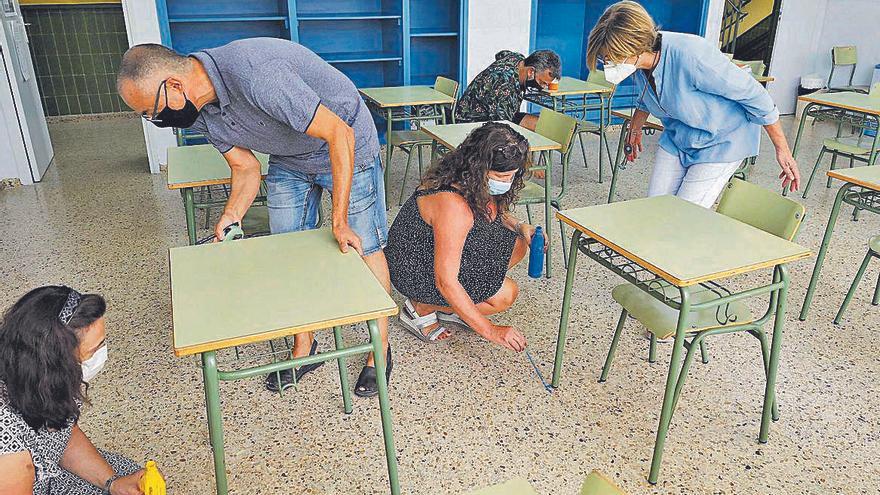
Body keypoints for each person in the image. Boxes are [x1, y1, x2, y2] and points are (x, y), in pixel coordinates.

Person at [116, 39, 391, 397]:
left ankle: (379, 349)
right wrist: (231, 215)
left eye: (150, 111)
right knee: (288, 253)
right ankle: (305, 347)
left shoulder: (257, 73)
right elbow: (244, 166)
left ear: (175, 85)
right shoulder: (197, 111)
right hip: (290, 158)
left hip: (348, 145)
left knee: (363, 244)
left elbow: (340, 132)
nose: (155, 121)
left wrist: (339, 221)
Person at [586, 1, 801, 207]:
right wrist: (635, 127)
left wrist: (781, 148)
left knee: (683, 215)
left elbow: (756, 96)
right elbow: (648, 96)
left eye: (610, 58)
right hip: (679, 136)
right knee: (654, 207)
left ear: (633, 48)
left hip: (721, 141)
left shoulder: (692, 55)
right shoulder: (639, 65)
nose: (608, 65)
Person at [384, 122, 545, 352]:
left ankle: (455, 307)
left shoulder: (461, 173)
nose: (506, 182)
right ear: (479, 168)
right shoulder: (452, 205)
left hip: (430, 249)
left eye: (512, 175)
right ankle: (421, 308)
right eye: (501, 175)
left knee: (518, 244)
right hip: (412, 266)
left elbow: (493, 210)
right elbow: (445, 281)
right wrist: (491, 330)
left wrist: (520, 226)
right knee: (505, 295)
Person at [0, 286, 145, 495]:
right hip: (21, 483)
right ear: (58, 363)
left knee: (129, 479)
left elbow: (61, 434)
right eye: (94, 350)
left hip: (44, 474)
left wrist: (112, 482)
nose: (101, 355)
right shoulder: (8, 451)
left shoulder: (39, 378)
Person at [454, 50, 561, 131]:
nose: (542, 87)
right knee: (519, 141)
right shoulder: (504, 84)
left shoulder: (518, 60)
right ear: (530, 72)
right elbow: (502, 126)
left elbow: (501, 54)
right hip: (472, 122)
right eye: (542, 82)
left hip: (494, 112)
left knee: (539, 125)